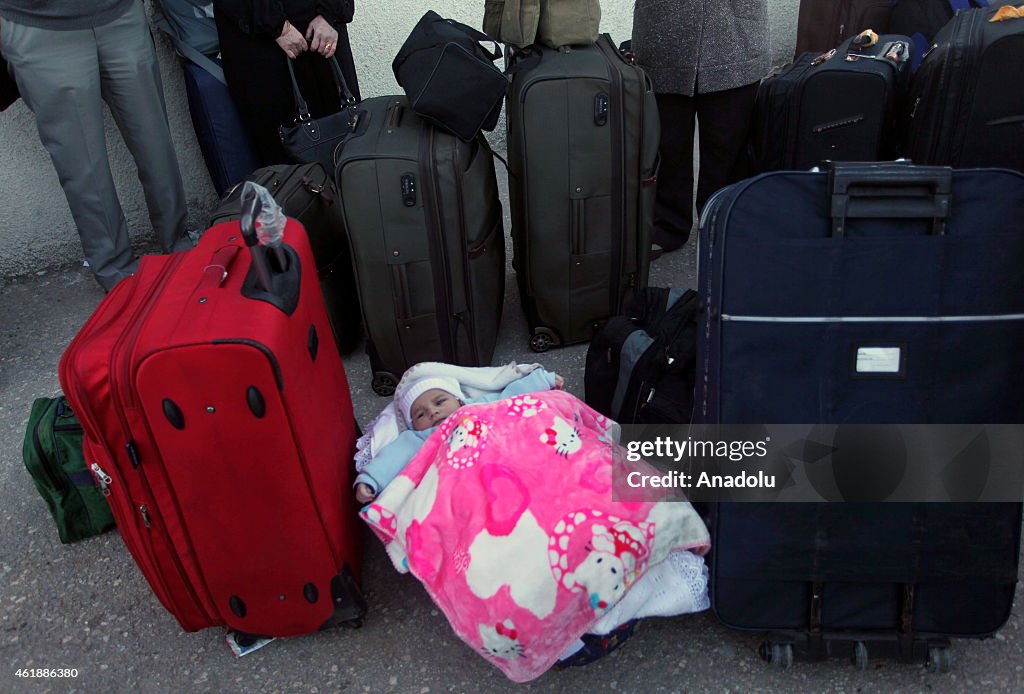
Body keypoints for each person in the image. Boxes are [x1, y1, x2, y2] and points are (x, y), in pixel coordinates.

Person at [0, 0, 192, 292]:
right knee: (84, 169)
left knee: (156, 144)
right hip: (37, 25)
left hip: (120, 13)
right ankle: (120, 279)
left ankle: (181, 245)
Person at [632, 1, 770, 254]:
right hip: (663, 34)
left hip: (735, 32)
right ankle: (667, 224)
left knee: (728, 146)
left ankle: (724, 220)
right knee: (666, 145)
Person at [354, 367, 564, 503]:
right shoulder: (419, 437)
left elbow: (510, 395)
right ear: (414, 427)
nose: (433, 412)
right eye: (420, 414)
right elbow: (393, 457)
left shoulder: (477, 406)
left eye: (439, 402)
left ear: (460, 401)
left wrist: (543, 379)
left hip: (504, 457)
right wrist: (371, 479)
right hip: (463, 483)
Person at [213, 0, 359, 166]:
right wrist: (277, 26)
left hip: (325, 33)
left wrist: (330, 13)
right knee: (286, 162)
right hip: (262, 45)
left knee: (350, 146)